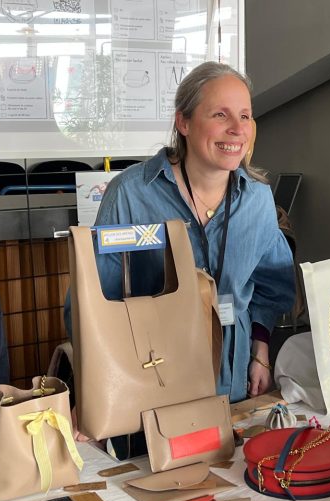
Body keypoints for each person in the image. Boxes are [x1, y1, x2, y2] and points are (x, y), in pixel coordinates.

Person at [64, 62, 295, 455]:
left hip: (233, 382)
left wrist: (261, 354)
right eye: (220, 115)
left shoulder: (257, 199)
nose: (236, 129)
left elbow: (271, 285)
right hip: (150, 385)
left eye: (244, 116)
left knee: (227, 479)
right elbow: (89, 305)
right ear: (184, 122)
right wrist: (96, 388)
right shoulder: (131, 194)